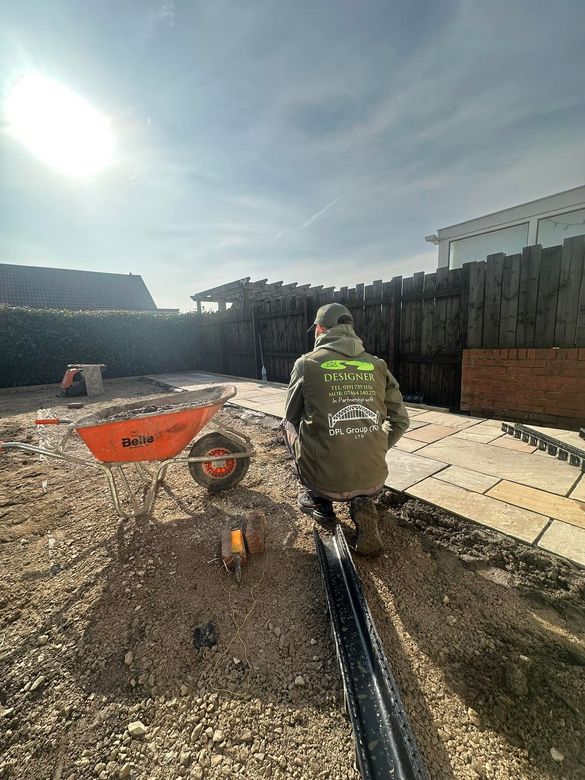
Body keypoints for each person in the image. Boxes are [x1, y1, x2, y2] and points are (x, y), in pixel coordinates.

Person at [283, 302, 409, 555]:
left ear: (320, 329)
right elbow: (401, 421)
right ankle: (361, 499)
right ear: (350, 329)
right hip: (374, 479)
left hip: (325, 482)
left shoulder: (306, 364)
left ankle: (319, 501)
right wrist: (377, 445)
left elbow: (291, 416)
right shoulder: (378, 364)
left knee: (286, 427)